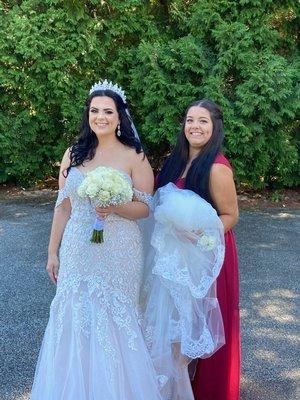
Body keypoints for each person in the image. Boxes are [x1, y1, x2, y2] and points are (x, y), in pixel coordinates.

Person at [30, 80, 163, 400]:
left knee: (115, 318)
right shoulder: (73, 153)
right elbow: (63, 207)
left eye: (108, 111)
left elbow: (145, 209)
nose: (100, 117)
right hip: (77, 247)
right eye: (94, 111)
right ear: (87, 115)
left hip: (119, 250)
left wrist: (115, 206)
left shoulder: (135, 156)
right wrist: (52, 253)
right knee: (73, 312)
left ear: (120, 117)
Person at [156, 99, 241, 400]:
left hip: (207, 257)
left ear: (215, 127)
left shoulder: (217, 167)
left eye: (203, 121)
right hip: (175, 258)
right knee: (176, 326)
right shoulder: (175, 161)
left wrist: (200, 234)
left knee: (204, 323)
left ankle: (209, 392)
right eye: (190, 120)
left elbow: (231, 215)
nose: (195, 126)